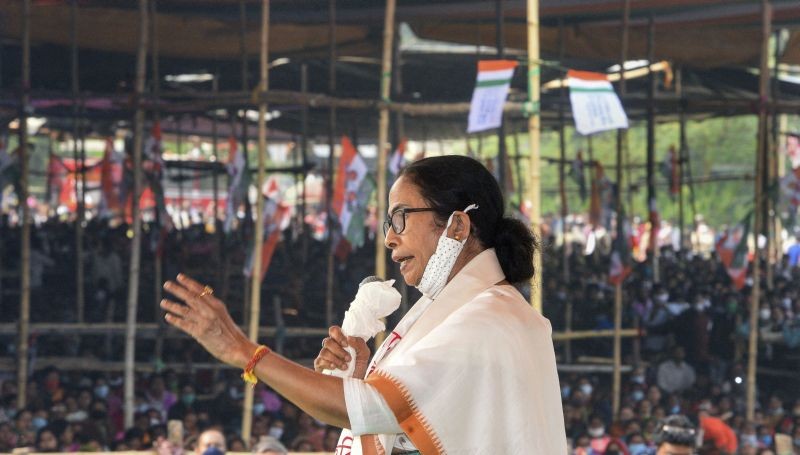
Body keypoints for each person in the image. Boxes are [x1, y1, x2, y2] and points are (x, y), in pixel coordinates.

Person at [161, 155, 567, 454]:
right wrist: (361, 376)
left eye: (400, 218)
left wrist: (245, 352)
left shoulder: (488, 317)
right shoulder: (470, 308)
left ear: (457, 226)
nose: (390, 238)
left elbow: (375, 410)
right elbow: (402, 415)